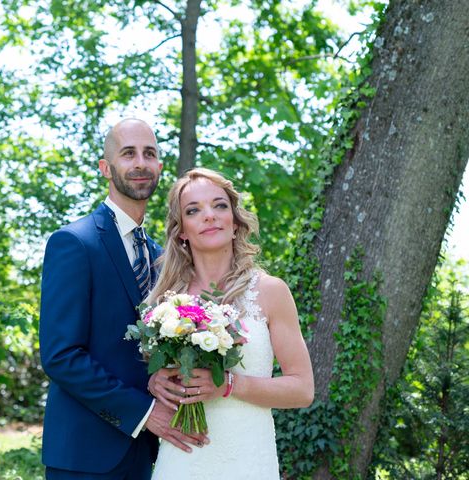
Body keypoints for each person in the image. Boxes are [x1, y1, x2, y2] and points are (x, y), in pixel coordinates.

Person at [39, 119, 205, 480]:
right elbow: (60, 355)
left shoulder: (161, 256)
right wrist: (144, 412)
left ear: (160, 166)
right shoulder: (75, 242)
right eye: (128, 153)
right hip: (85, 455)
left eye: (150, 153)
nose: (140, 163)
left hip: (148, 453)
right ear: (106, 168)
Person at [147, 167, 314, 479]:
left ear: (235, 222)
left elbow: (302, 390)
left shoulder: (269, 291)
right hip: (183, 459)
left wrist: (229, 385)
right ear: (182, 230)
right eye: (194, 210)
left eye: (219, 205)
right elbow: (162, 378)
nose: (209, 215)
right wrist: (155, 382)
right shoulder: (166, 303)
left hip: (247, 459)